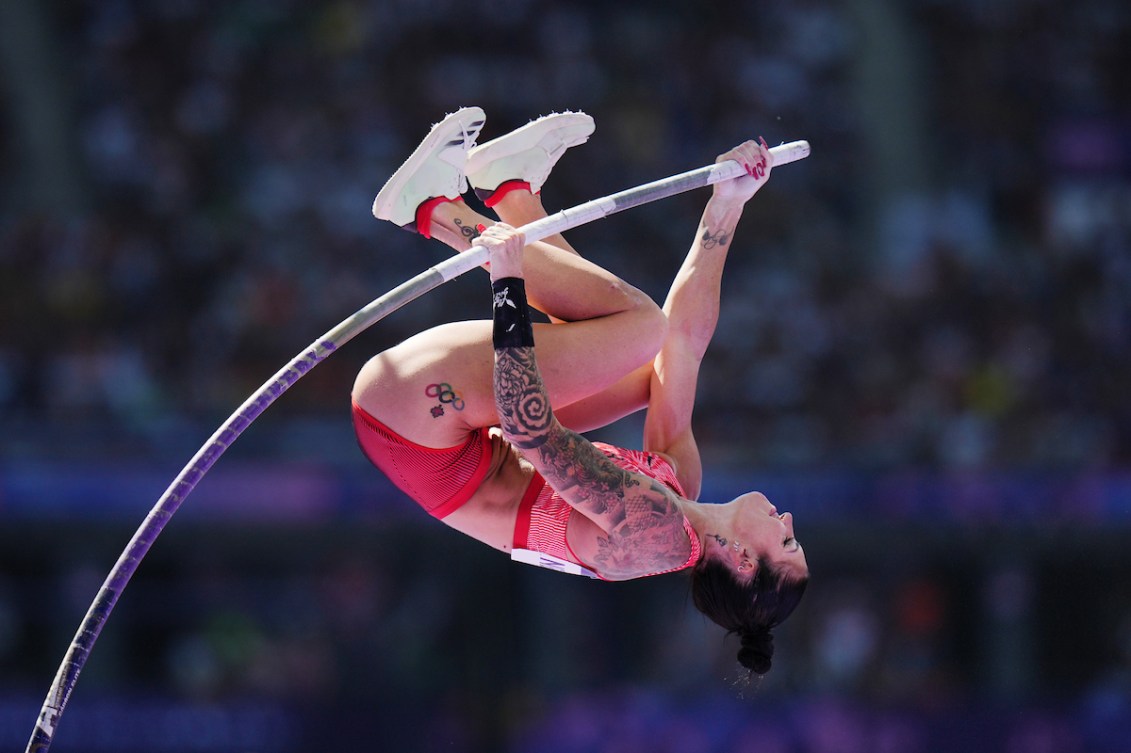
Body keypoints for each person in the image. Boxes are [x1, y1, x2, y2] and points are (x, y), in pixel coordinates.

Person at [352, 107, 809, 676]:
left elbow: (528, 428)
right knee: (649, 359)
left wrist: (508, 286)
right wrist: (727, 207)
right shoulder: (680, 485)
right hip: (459, 423)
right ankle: (512, 190)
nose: (788, 520)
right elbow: (685, 348)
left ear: (742, 561)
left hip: (418, 424)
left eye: (785, 543)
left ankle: (434, 211)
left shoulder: (657, 537)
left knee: (640, 328)